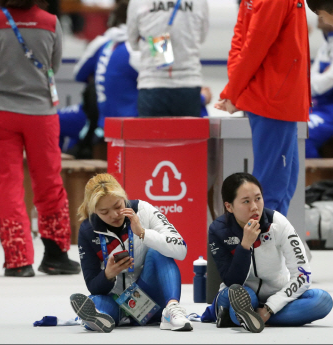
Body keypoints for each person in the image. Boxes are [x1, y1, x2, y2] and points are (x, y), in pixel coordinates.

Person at [0, 0, 81, 277]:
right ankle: (55, 255)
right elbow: (53, 64)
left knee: (7, 185)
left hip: (1, 112)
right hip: (41, 114)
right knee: (49, 181)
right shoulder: (50, 22)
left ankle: (17, 260)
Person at [204, 172, 333, 333]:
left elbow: (303, 274)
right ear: (229, 206)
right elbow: (232, 281)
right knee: (242, 295)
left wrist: (270, 308)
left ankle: (246, 318)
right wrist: (245, 246)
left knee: (322, 300)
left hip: (276, 294)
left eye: (258, 199)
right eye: (246, 201)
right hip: (240, 292)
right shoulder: (219, 230)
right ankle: (243, 314)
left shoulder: (278, 223)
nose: (254, 207)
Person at [215, 0, 309, 216]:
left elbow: (242, 42)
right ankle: (261, 245)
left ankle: (272, 243)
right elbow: (252, 45)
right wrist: (233, 92)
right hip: (275, 99)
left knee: (283, 185)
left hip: (276, 96)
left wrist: (234, 89)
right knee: (272, 187)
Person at [69, 173, 192, 333]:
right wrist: (108, 274)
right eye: (104, 212)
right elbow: (93, 284)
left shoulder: (144, 210)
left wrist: (143, 233)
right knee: (93, 301)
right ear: (93, 211)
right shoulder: (88, 230)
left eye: (118, 206)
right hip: (117, 303)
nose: (114, 215)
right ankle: (98, 317)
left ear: (124, 198)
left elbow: (181, 250)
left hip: (152, 298)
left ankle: (171, 309)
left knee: (158, 250)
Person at [127, 0, 209, 117]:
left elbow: (133, 42)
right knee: (187, 135)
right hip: (188, 84)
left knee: (153, 135)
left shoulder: (138, 2)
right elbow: (201, 37)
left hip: (152, 84)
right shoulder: (200, 2)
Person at [307, 17, 333, 158]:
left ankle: (312, 180)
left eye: (325, 9)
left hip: (329, 112)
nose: (319, 15)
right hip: (315, 107)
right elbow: (310, 82)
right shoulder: (326, 45)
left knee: (302, 136)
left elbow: (321, 85)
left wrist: (316, 79)